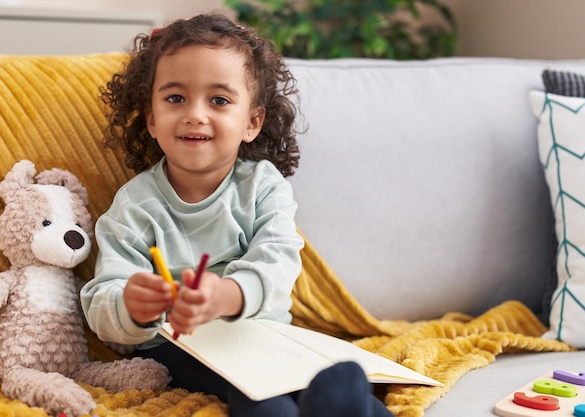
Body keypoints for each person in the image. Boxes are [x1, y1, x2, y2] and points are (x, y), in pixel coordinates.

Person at [80, 13, 392, 417]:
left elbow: (278, 264)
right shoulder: (134, 206)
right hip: (184, 350)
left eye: (219, 100)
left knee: (340, 392)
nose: (195, 114)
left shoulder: (263, 186)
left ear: (252, 121)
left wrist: (226, 295)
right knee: (264, 402)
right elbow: (102, 304)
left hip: (266, 336)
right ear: (152, 118)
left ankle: (346, 401)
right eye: (175, 98)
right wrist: (133, 304)